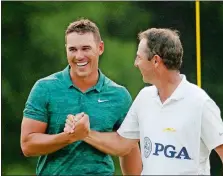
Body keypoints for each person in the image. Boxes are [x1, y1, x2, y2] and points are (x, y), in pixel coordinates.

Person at [65, 28, 223, 175]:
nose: (136, 63)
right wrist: (84, 133)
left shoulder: (200, 102)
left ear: (156, 61)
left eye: (139, 57)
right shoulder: (144, 98)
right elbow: (122, 144)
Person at [20, 18, 142, 175]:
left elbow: (129, 150)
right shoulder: (44, 88)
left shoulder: (119, 95)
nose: (79, 56)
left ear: (100, 48)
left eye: (86, 48)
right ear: (66, 50)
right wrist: (69, 137)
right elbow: (28, 145)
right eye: (72, 49)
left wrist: (85, 134)